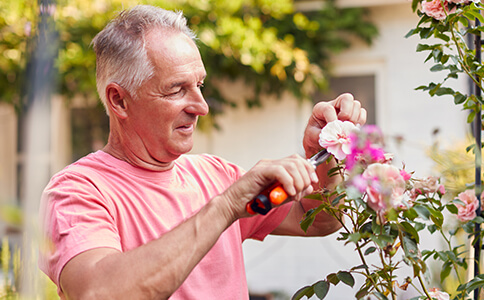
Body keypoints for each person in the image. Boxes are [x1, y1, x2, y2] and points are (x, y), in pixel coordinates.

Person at [39, 5, 366, 300]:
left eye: (200, 86)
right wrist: (225, 208)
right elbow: (98, 293)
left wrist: (325, 154)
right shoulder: (76, 192)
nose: (201, 107)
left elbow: (316, 220)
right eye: (177, 89)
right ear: (119, 101)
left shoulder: (216, 176)